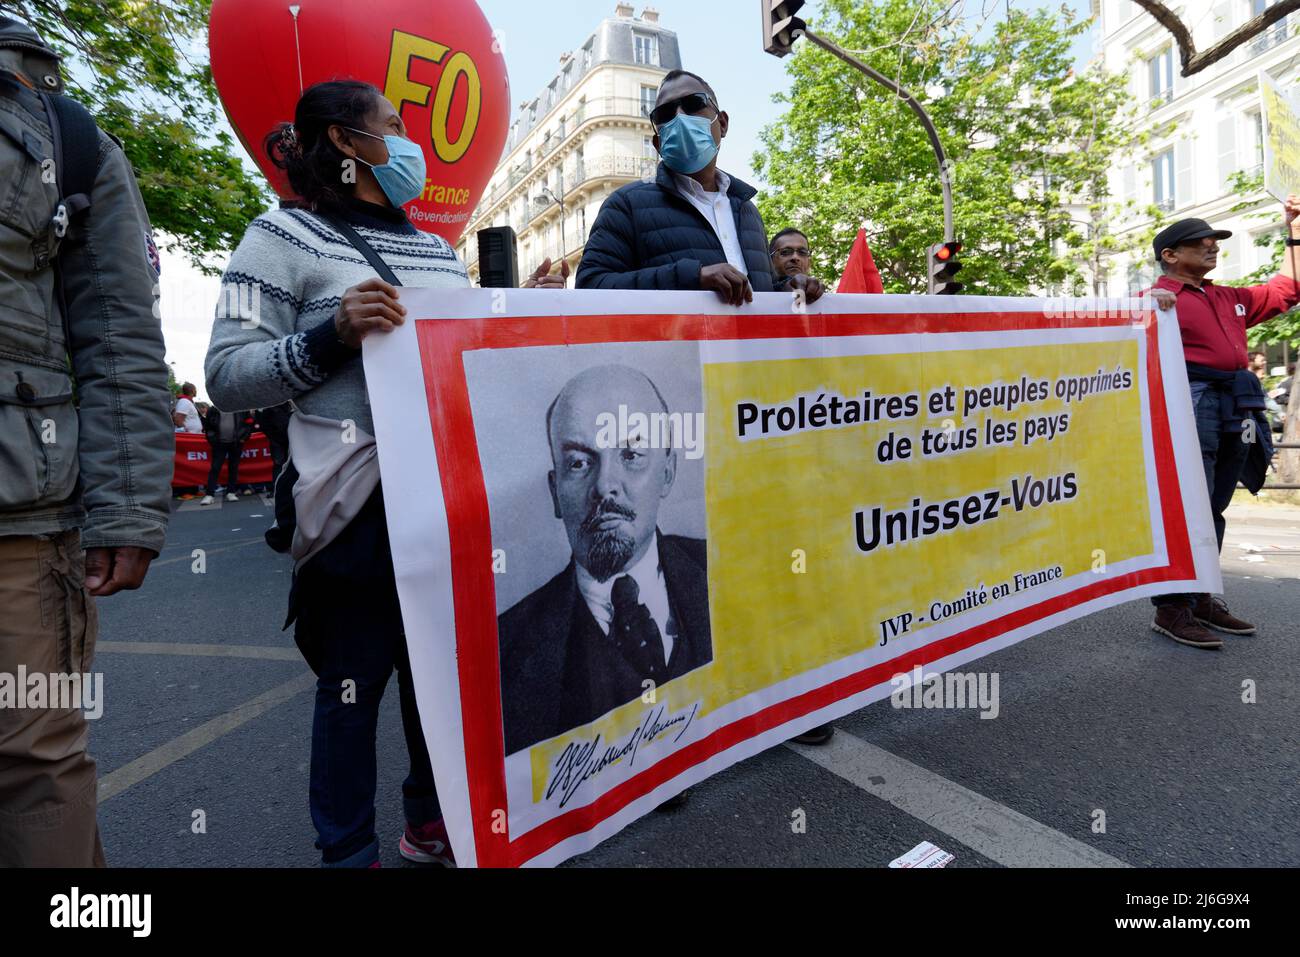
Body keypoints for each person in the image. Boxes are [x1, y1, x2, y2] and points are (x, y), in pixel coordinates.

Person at [205, 79, 469, 868]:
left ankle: (432, 821)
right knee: (352, 691)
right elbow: (226, 373)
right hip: (355, 512)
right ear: (349, 143)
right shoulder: (281, 237)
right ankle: (348, 850)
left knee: (438, 688)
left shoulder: (440, 251)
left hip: (445, 504)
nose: (409, 142)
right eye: (394, 126)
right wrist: (331, 334)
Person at [0, 15, 172, 866]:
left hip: (20, 523)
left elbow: (116, 330)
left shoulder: (63, 133)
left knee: (35, 764)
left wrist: (129, 507)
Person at [497, 365, 712, 755]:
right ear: (554, 491)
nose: (604, 486)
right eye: (579, 463)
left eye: (630, 454)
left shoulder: (724, 571)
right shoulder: (506, 648)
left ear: (668, 472)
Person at [1146, 201, 1300, 649]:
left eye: (1214, 242)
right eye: (1200, 242)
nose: (1212, 247)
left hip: (1234, 406)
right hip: (1192, 404)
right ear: (1170, 255)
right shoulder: (1153, 301)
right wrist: (1150, 310)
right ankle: (1171, 608)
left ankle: (1199, 596)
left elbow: (1289, 287)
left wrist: (1294, 231)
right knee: (1185, 505)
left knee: (1213, 504)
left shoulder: (1227, 296)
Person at [576, 69, 823, 306]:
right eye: (665, 114)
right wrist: (693, 277)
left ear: (723, 123)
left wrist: (788, 288)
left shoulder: (747, 211)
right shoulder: (626, 205)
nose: (680, 116)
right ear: (658, 142)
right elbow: (590, 286)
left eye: (694, 103)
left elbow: (758, 294)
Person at [200, 406, 254, 505]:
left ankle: (231, 492)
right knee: (215, 468)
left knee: (233, 467)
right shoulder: (213, 409)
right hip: (219, 443)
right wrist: (213, 440)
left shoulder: (241, 408)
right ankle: (209, 494)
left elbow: (249, 423)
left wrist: (243, 437)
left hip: (236, 443)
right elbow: (207, 426)